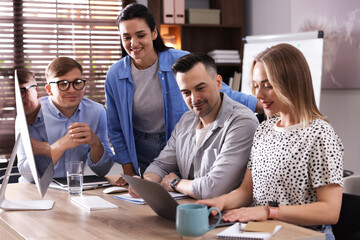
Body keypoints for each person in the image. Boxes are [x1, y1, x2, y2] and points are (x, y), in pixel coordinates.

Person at [105, 3, 262, 186]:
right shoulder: (115, 75)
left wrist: (265, 105)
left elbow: (223, 93)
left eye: (140, 35)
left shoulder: (179, 61)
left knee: (186, 188)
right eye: (126, 37)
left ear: (154, 33)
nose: (134, 43)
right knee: (152, 196)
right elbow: (115, 128)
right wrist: (129, 172)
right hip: (141, 148)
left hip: (179, 141)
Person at [197, 44, 344, 239]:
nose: (258, 95)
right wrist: (220, 202)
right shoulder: (264, 129)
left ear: (292, 83)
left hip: (305, 235)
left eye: (268, 86)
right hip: (263, 232)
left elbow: (330, 211)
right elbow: (247, 192)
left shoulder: (320, 134)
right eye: (256, 85)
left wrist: (269, 211)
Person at [128, 53, 259, 200]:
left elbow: (213, 188)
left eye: (200, 88)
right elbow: (161, 165)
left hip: (227, 216)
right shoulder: (186, 120)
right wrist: (147, 182)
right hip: (189, 209)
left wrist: (175, 183)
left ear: (218, 83)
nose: (194, 99)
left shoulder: (242, 122)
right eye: (186, 92)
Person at [18, 57, 114, 182]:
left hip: (75, 189)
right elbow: (28, 176)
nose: (72, 90)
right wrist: (59, 146)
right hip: (33, 191)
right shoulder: (29, 115)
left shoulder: (97, 112)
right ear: (49, 90)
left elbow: (102, 171)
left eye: (77, 82)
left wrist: (95, 142)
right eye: (63, 84)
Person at [16, 70, 52, 182]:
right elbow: (27, 175)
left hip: (57, 184)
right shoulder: (20, 120)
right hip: (31, 186)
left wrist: (41, 148)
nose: (18, 98)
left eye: (22, 91)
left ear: (36, 91)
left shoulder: (55, 112)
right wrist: (35, 151)